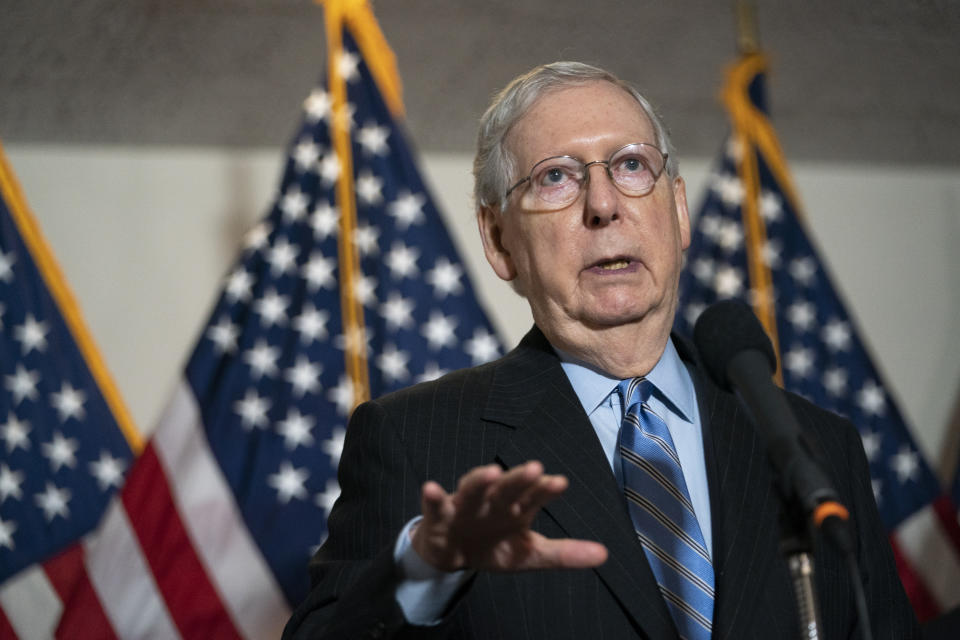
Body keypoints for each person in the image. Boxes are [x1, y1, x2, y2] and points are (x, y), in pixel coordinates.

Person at [283, 62, 919, 639]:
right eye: (556, 177)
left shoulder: (819, 449)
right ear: (500, 241)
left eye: (632, 165)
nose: (604, 205)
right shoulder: (416, 441)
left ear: (679, 209)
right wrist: (426, 569)